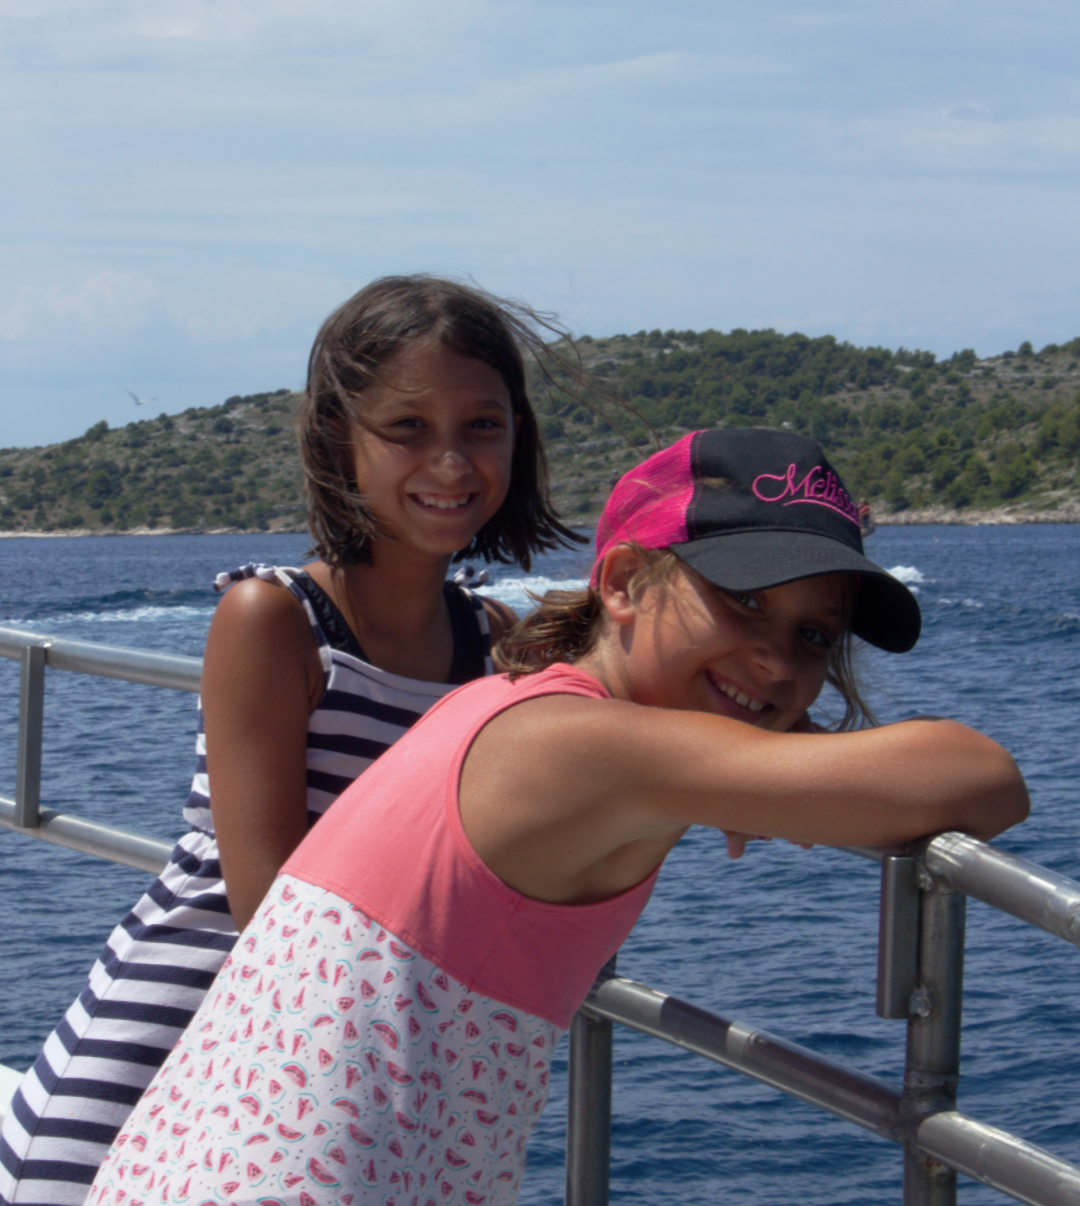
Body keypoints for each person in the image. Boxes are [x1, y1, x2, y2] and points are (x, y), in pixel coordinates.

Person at [82, 426, 1029, 1206]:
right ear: (619, 583)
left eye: (813, 636)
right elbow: (984, 775)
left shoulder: (536, 706)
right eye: (741, 603)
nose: (781, 664)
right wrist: (780, 772)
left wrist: (768, 759)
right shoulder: (579, 750)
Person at [0, 275, 586, 1206]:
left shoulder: (490, 649)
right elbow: (267, 906)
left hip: (320, 1072)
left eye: (482, 426)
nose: (450, 461)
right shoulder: (272, 620)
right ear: (336, 441)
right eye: (406, 429)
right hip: (166, 1046)